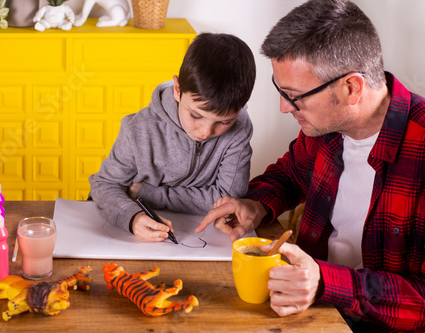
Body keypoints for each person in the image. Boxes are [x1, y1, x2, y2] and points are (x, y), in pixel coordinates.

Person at [195, 0, 425, 331]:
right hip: (309, 310)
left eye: (294, 96)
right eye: (280, 90)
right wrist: (256, 204)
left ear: (351, 88)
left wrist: (325, 282)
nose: (284, 108)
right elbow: (289, 174)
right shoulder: (325, 129)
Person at [90, 33, 256, 242]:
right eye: (196, 115)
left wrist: (149, 194)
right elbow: (105, 184)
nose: (205, 132)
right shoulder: (138, 128)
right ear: (178, 90)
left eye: (224, 122)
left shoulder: (239, 129)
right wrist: (132, 218)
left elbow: (228, 199)